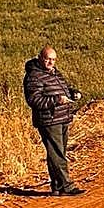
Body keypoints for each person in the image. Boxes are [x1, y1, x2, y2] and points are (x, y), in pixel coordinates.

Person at [23, 45, 85, 197]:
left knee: (58, 153)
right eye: (48, 59)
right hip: (49, 120)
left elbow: (62, 88)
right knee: (57, 154)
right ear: (40, 58)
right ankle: (66, 186)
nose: (51, 62)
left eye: (53, 59)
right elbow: (34, 100)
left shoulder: (54, 73)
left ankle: (57, 186)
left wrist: (72, 93)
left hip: (62, 117)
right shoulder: (34, 76)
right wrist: (56, 100)